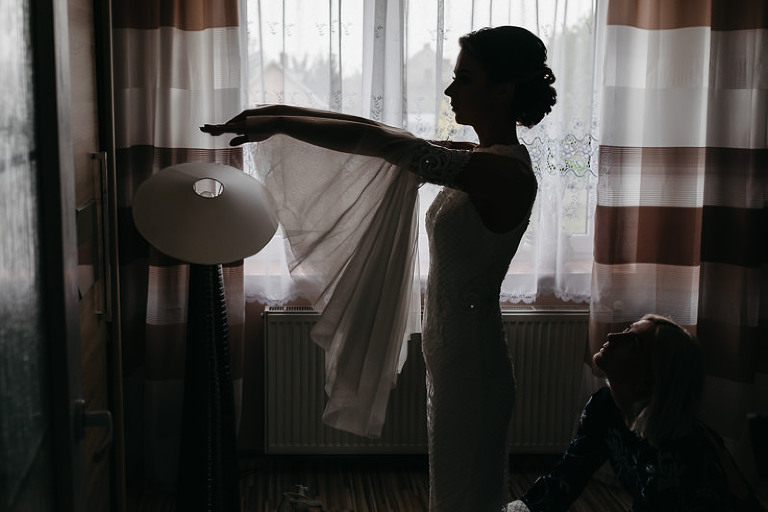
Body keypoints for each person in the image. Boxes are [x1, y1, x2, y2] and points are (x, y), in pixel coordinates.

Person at [203, 25, 556, 512]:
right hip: (451, 351)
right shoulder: (481, 158)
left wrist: (279, 122)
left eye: (464, 79)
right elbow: (383, 136)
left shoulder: (504, 172)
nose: (450, 90)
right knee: (455, 485)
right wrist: (275, 112)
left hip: (473, 362)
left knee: (468, 490)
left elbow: (381, 142)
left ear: (502, 90)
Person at [507, 314, 765, 512]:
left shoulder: (675, 454)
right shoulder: (604, 406)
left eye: (632, 342)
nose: (612, 336)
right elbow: (566, 478)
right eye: (626, 330)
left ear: (648, 382)